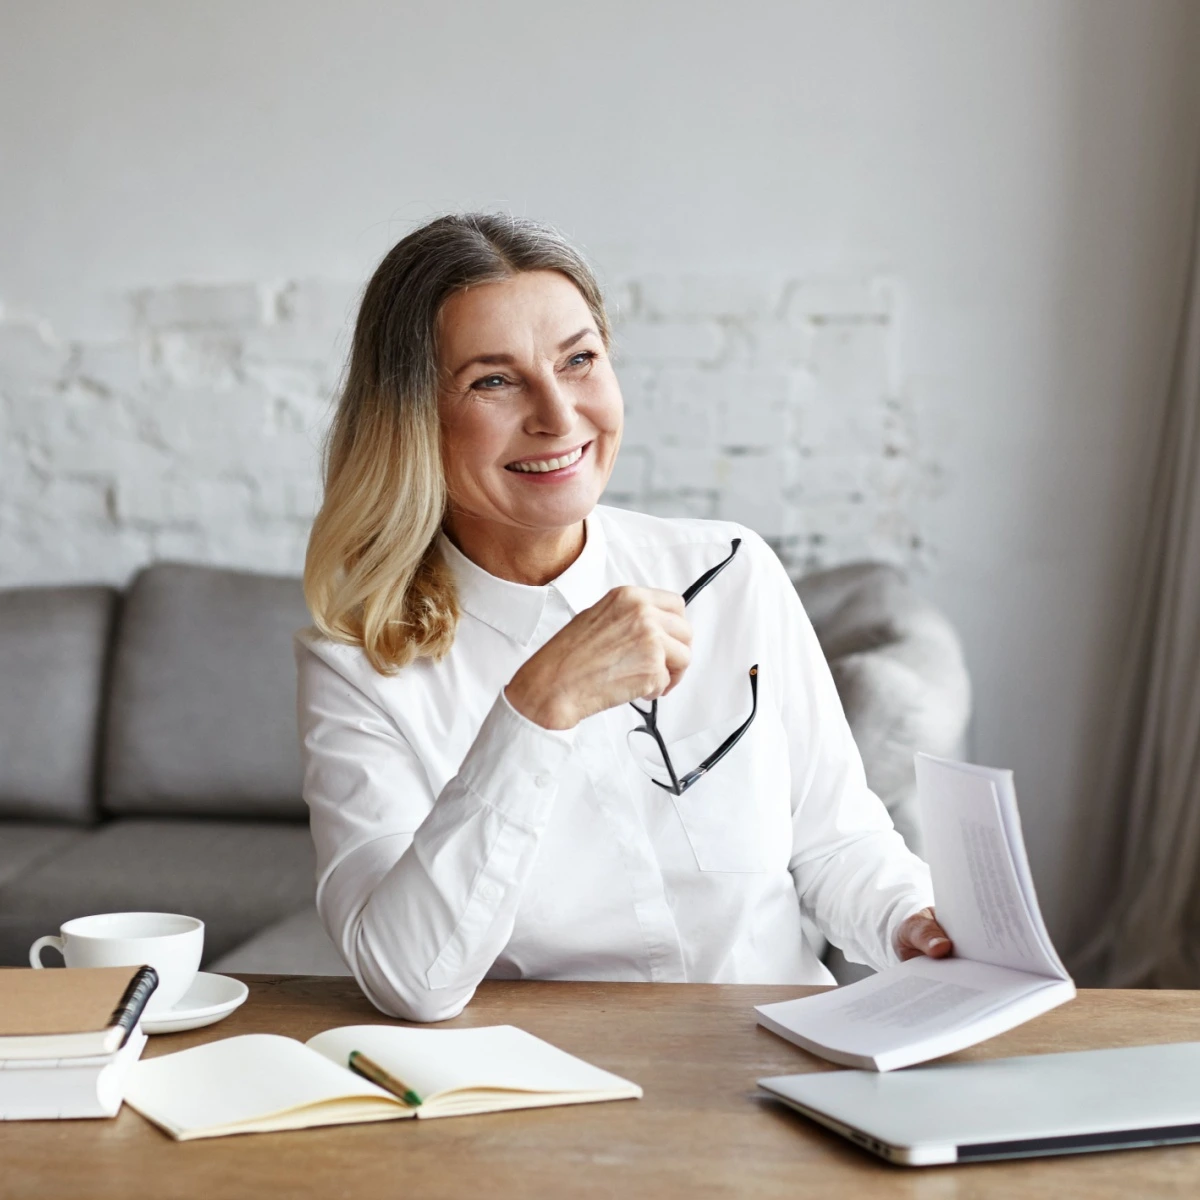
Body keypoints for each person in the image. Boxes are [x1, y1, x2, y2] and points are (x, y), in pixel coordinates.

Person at [295, 212, 951, 1023]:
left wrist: (915, 926)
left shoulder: (731, 572)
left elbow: (836, 840)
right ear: (413, 417)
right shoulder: (359, 663)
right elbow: (408, 979)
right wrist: (534, 710)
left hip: (782, 1064)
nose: (559, 416)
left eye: (579, 361)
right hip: (555, 1097)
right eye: (493, 381)